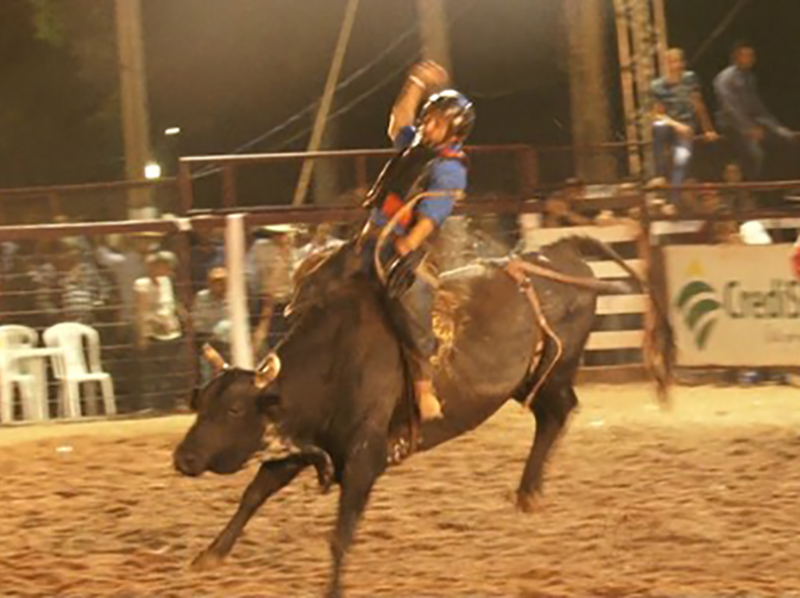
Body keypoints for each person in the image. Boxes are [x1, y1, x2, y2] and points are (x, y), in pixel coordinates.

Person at [359, 60, 474, 421]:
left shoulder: (449, 168)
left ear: (453, 131)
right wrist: (415, 82)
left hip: (402, 247)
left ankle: (424, 390)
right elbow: (399, 119)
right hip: (372, 239)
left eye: (436, 121)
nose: (427, 125)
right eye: (427, 118)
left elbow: (431, 214)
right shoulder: (413, 145)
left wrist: (408, 244)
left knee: (410, 303)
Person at [714, 41, 795, 181]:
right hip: (730, 125)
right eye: (745, 55)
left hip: (752, 123)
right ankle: (753, 192)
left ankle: (780, 190)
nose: (750, 59)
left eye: (751, 56)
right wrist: (748, 128)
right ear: (736, 57)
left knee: (786, 141)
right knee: (755, 153)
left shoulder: (750, 78)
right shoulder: (725, 78)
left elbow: (758, 108)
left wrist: (778, 128)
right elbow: (730, 108)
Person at [651, 48, 717, 200]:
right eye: (672, 61)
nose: (676, 65)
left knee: (682, 158)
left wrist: (708, 129)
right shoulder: (658, 85)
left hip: (687, 125)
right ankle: (659, 174)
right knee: (658, 127)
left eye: (678, 61)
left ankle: (675, 197)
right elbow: (657, 114)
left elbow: (698, 104)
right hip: (669, 123)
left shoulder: (690, 78)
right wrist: (676, 125)